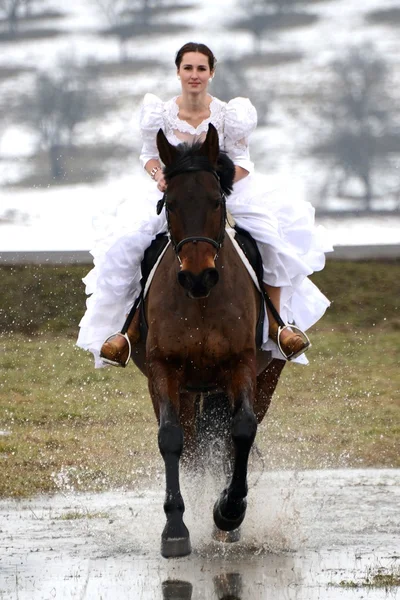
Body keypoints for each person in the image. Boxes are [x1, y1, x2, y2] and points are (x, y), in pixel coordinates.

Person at [77, 42, 331, 368]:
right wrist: (159, 175)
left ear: (211, 72)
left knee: (272, 241)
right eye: (188, 68)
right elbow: (148, 156)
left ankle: (278, 326)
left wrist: (216, 183)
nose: (194, 75)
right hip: (175, 193)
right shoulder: (159, 114)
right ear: (178, 72)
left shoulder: (230, 114)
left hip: (227, 190)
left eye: (201, 68)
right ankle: (126, 332)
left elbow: (241, 161)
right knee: (127, 245)